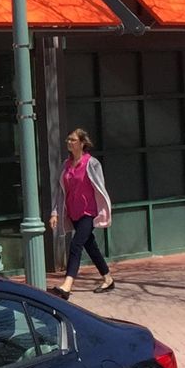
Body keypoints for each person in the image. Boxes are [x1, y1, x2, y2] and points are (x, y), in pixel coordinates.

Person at [46, 128, 113, 298]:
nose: (69, 142)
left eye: (73, 140)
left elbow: (100, 188)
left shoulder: (92, 163)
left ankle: (67, 286)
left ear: (82, 143)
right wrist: (55, 212)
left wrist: (103, 210)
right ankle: (108, 279)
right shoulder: (65, 165)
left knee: (76, 245)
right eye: (68, 139)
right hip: (73, 212)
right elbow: (60, 191)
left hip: (88, 212)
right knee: (90, 246)